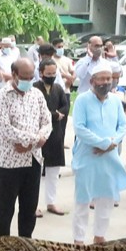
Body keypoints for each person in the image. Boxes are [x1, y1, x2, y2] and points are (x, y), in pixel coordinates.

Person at [71, 61, 126, 244]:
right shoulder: (82, 100)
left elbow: (122, 126)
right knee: (83, 200)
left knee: (106, 198)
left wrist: (113, 142)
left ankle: (99, 236)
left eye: (109, 78)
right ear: (92, 81)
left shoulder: (115, 101)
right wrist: (102, 143)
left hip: (109, 157)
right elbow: (79, 128)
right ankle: (79, 240)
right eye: (102, 79)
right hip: (88, 157)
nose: (106, 82)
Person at [0, 58, 52, 238]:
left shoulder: (37, 95)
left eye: (31, 76)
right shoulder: (1, 97)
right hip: (9, 163)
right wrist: (35, 139)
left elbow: (47, 121)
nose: (28, 80)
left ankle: (25, 245)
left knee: (29, 209)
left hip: (33, 161)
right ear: (14, 74)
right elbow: (5, 129)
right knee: (5, 210)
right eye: (24, 76)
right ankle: (2, 249)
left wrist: (37, 140)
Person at [34, 58, 70, 218]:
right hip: (38, 135)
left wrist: (56, 114)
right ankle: (32, 205)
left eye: (54, 73)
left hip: (56, 135)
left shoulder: (58, 88)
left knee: (53, 172)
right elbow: (39, 112)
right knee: (34, 173)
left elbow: (66, 106)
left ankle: (51, 202)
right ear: (41, 73)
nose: (51, 76)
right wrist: (55, 115)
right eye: (48, 73)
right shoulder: (34, 89)